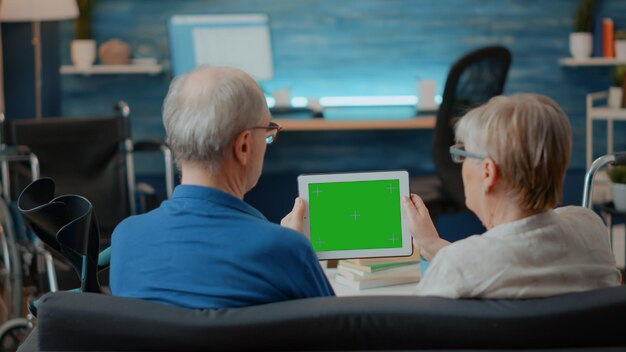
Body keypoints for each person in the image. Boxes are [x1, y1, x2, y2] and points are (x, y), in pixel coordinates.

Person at [110, 66, 334, 309]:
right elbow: (337, 334)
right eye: (267, 130)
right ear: (244, 146)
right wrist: (295, 249)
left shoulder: (126, 239)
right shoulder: (285, 249)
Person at [401, 93, 622, 299]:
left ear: (488, 172)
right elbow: (511, 256)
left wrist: (444, 257)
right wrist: (431, 244)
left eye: (462, 154)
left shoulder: (457, 267)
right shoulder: (591, 227)